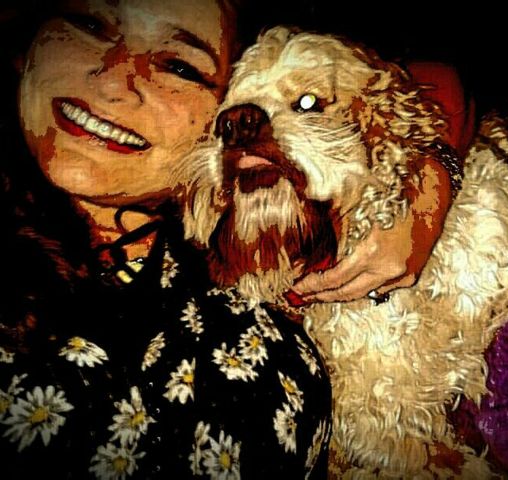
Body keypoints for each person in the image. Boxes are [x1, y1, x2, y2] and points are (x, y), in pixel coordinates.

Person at [0, 0, 455, 478]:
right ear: (26, 44)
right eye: (89, 24)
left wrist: (423, 176)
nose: (114, 81)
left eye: (179, 66)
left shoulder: (240, 277)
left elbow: (431, 76)